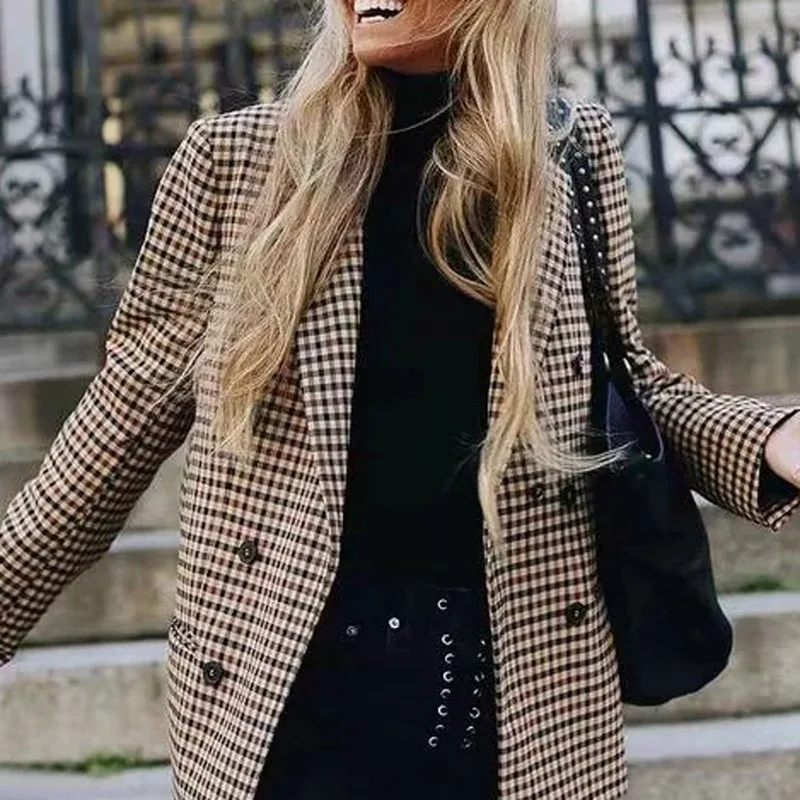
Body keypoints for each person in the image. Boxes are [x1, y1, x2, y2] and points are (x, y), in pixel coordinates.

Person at [2, 1, 800, 798]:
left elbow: (625, 385)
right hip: (290, 701)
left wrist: (773, 439)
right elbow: (120, 421)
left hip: (514, 699)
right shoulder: (236, 161)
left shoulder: (569, 151)